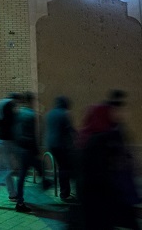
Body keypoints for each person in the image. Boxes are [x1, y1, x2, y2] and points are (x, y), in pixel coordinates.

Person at [77, 90, 140, 229]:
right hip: (100, 200)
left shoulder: (87, 137)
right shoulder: (100, 139)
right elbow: (102, 173)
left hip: (95, 200)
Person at [12, 92, 48, 213]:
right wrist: (36, 150)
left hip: (21, 148)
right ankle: (45, 185)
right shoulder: (31, 115)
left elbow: (15, 132)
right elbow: (33, 135)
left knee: (22, 176)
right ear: (30, 101)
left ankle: (20, 201)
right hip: (28, 150)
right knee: (40, 168)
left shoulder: (19, 113)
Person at [45, 96, 76, 200]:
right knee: (65, 168)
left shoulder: (50, 113)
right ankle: (65, 194)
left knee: (62, 168)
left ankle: (64, 192)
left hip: (51, 145)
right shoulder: (64, 114)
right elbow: (70, 130)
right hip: (61, 145)